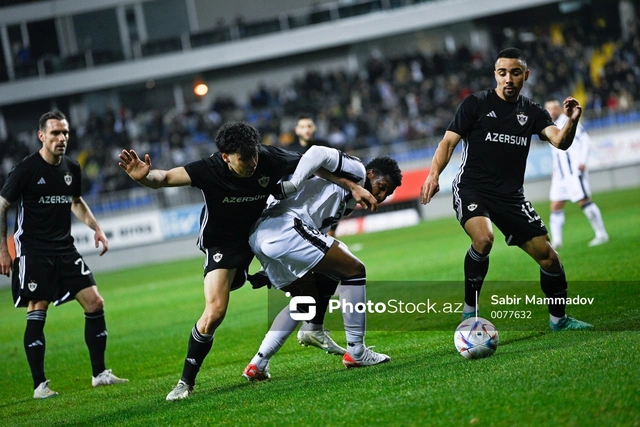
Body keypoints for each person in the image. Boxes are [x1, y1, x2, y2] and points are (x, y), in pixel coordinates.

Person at [118, 121, 375, 401]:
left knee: (313, 290)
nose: (253, 162)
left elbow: (314, 166)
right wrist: (144, 177)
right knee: (215, 312)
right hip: (225, 243)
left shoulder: (267, 157)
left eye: (254, 154)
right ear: (226, 157)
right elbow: (164, 178)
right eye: (244, 158)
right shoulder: (208, 169)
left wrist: (352, 186)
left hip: (264, 229)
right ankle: (185, 383)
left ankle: (283, 347)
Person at [420, 48, 592, 331]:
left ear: (525, 75)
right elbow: (448, 143)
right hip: (472, 188)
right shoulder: (475, 104)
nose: (508, 79)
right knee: (484, 239)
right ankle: (469, 310)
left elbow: (560, 142)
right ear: (495, 75)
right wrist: (433, 175)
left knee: (549, 258)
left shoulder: (532, 112)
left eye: (515, 73)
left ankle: (559, 320)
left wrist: (572, 120)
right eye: (502, 73)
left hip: (511, 196)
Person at [242, 145, 402, 380]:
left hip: (265, 236)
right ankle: (356, 351)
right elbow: (317, 152)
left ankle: (259, 363)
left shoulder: (347, 204)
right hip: (283, 225)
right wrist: (295, 183)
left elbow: (317, 240)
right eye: (381, 187)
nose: (379, 196)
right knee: (354, 270)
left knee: (306, 297)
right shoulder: (356, 170)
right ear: (370, 174)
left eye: (385, 195)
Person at [0, 110, 128, 399]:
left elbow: (76, 201)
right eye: (55, 133)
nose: (61, 138)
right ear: (41, 136)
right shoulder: (26, 169)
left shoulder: (71, 167)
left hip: (65, 248)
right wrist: (2, 252)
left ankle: (100, 374)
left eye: (65, 133)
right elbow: (2, 205)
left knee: (95, 303)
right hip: (34, 250)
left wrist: (97, 228)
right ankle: (40, 386)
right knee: (38, 308)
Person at [252, 114, 345, 355]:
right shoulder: (290, 153)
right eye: (302, 126)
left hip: (300, 228)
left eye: (309, 125)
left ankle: (259, 362)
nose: (306, 129)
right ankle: (316, 329)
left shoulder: (325, 148)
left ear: (314, 128)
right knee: (322, 286)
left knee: (305, 296)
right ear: (296, 129)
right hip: (290, 224)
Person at [544, 99, 608, 249]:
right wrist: (555, 170)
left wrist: (582, 162)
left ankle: (601, 234)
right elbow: (556, 153)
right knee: (555, 206)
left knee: (584, 201)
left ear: (559, 109)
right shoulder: (550, 126)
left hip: (573, 171)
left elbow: (585, 141)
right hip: (560, 175)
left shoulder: (570, 122)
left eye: (554, 108)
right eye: (549, 109)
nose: (552, 111)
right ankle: (557, 242)